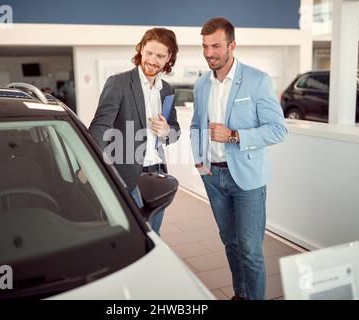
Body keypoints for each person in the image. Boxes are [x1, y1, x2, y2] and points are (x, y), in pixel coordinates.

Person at [190, 17, 288, 300]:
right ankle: (240, 294)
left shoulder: (257, 80)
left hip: (247, 179)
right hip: (214, 177)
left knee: (250, 250)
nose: (210, 53)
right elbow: (197, 125)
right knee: (230, 244)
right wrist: (199, 162)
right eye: (205, 46)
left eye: (216, 46)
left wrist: (234, 134)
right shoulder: (201, 84)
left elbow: (279, 130)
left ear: (232, 45)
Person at [89, 28, 180, 235]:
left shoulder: (167, 90)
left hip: (158, 173)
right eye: (148, 53)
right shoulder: (118, 83)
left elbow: (175, 132)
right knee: (135, 235)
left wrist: (167, 131)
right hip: (128, 174)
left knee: (154, 234)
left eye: (159, 56)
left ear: (169, 58)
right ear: (141, 50)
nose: (152, 60)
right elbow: (100, 126)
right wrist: (94, 165)